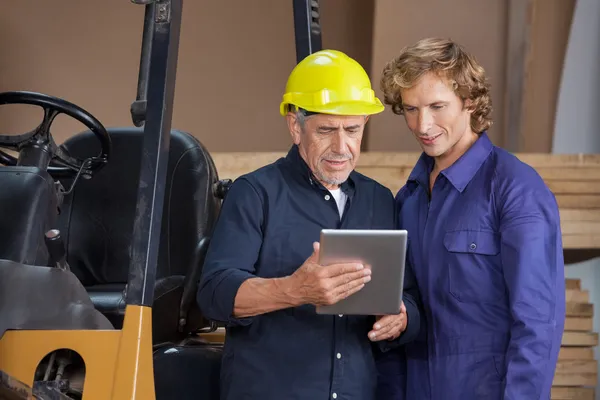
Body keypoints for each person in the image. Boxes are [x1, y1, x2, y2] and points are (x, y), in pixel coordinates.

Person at [197, 49, 422, 400]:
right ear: (295, 126)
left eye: (352, 129)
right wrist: (294, 290)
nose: (341, 146)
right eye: (327, 130)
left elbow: (407, 294)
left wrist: (403, 317)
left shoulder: (379, 200)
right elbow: (213, 294)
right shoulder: (255, 193)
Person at [377, 37, 565, 399]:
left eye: (437, 106)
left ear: (469, 101)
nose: (423, 124)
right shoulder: (410, 198)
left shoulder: (515, 189)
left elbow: (538, 323)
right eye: (411, 109)